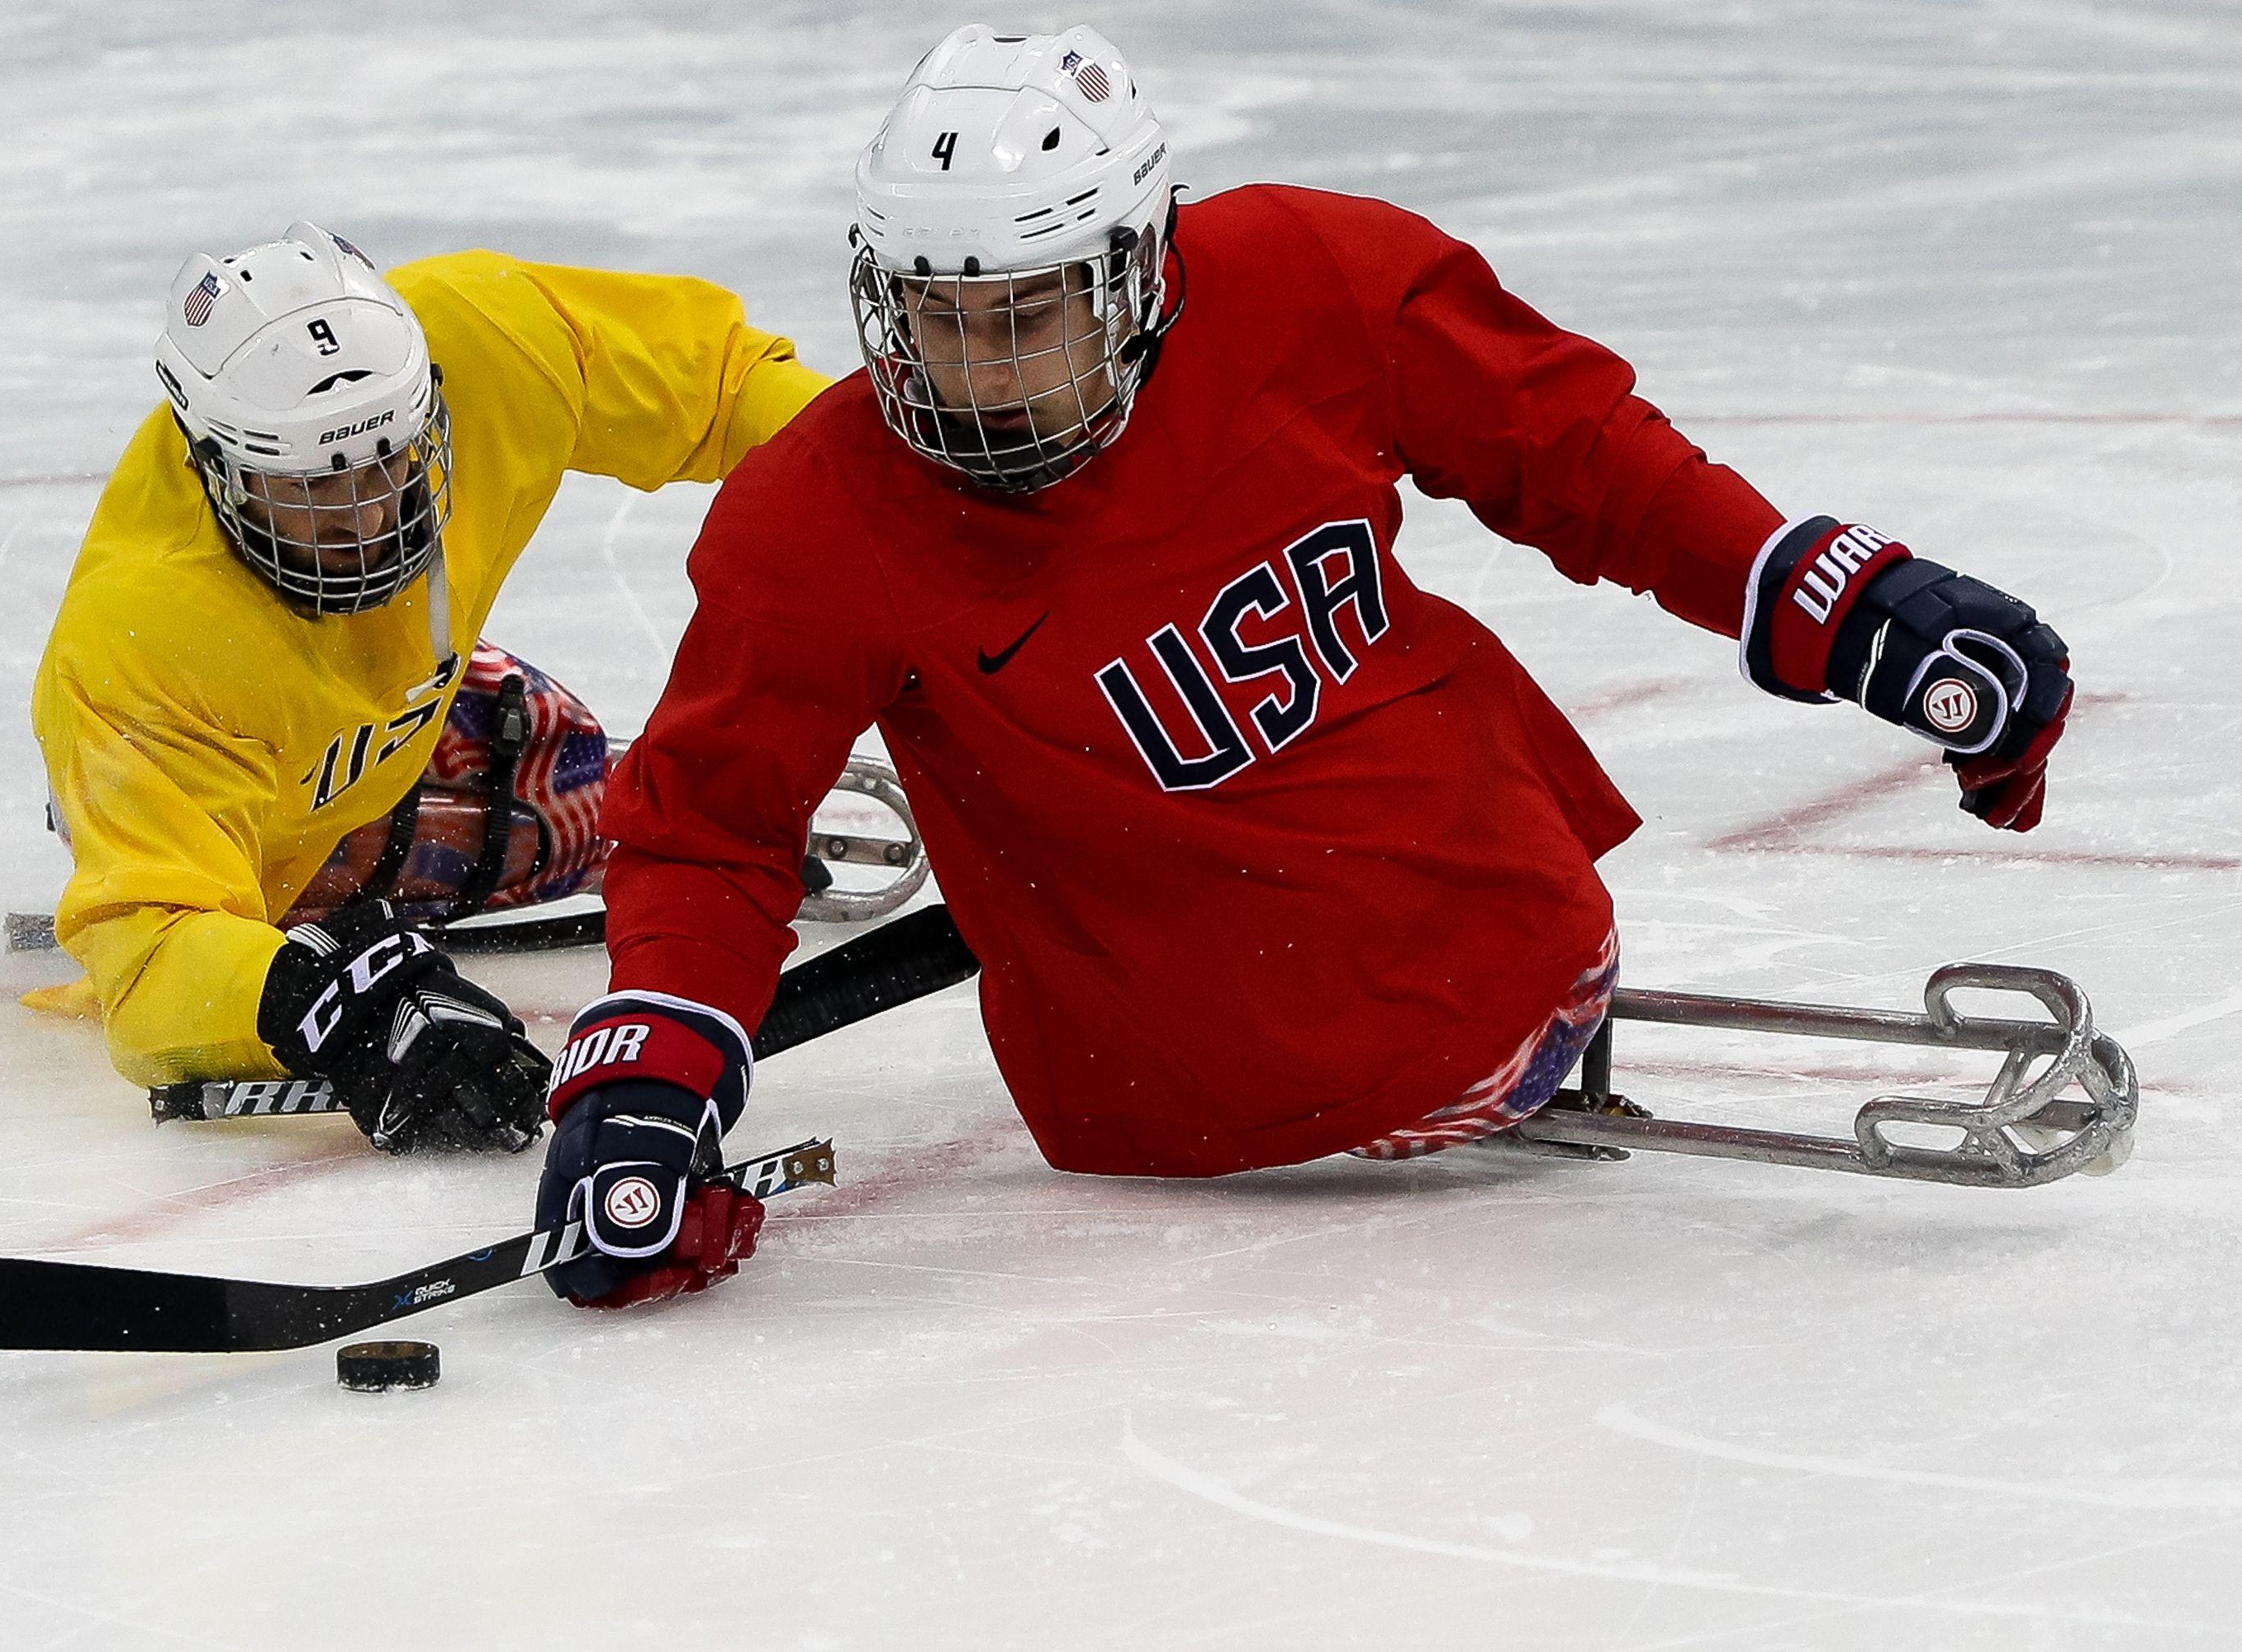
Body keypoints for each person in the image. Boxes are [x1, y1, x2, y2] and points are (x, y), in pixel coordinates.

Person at [525, 26, 2073, 1308]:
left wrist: (1843, 601)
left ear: (1141, 263)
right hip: (1214, 1087)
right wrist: (641, 1083)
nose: (978, 376)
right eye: (937, 319)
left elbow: (1581, 456)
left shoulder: (1308, 276)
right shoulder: (816, 519)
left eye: (1028, 315)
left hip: (1507, 918)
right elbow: (713, 827)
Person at [31, 223, 829, 1153]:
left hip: (394, 699)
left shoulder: (488, 335)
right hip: (217, 765)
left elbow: (730, 390)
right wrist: (323, 1004)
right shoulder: (138, 641)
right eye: (312, 487)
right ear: (217, 468)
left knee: (560, 769)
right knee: (299, 923)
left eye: (389, 459)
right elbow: (149, 958)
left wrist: (918, 499)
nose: (369, 516)